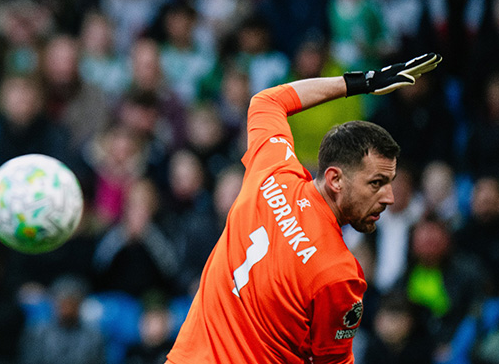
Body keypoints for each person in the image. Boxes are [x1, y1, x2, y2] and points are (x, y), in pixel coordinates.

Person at [166, 53, 442, 363]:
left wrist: (359, 82)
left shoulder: (271, 172)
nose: (389, 198)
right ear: (335, 179)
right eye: (376, 183)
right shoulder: (338, 273)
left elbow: (267, 101)